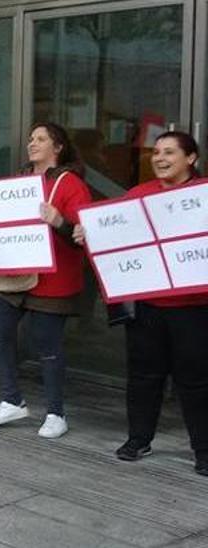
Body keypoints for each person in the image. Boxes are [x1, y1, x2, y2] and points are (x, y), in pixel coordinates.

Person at [75, 131, 207, 475]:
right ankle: (138, 439)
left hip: (194, 308)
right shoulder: (137, 196)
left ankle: (204, 450)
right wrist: (88, 234)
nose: (159, 158)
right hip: (147, 308)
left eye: (169, 152)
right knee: (144, 376)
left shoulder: (203, 195)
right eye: (156, 152)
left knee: (195, 381)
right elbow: (113, 245)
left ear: (191, 158)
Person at [0, 122, 91, 438]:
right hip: (16, 276)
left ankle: (56, 413)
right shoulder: (20, 181)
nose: (32, 143)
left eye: (41, 139)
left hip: (53, 279)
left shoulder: (69, 183)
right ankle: (12, 400)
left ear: (58, 147)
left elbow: (83, 236)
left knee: (46, 343)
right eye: (30, 139)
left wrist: (60, 221)